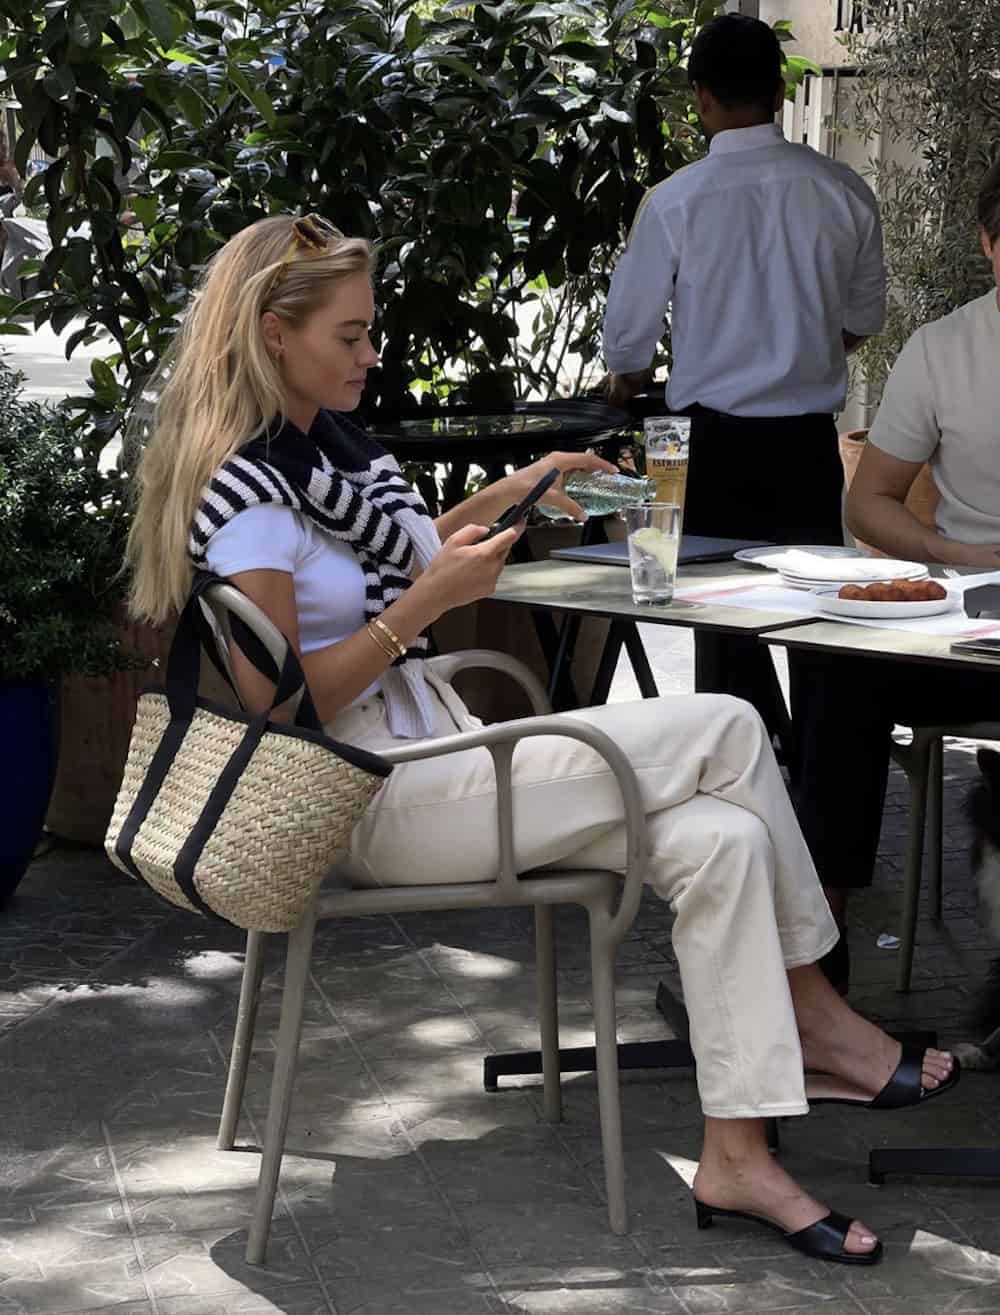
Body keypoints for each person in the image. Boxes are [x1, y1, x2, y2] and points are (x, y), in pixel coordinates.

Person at [126, 214, 955, 1265]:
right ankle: (819, 1016)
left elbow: (403, 547)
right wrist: (420, 606)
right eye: (351, 334)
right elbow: (286, 706)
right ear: (272, 335)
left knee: (722, 841)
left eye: (368, 329)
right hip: (373, 793)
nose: (371, 354)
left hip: (440, 751)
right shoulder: (246, 491)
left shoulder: (321, 457)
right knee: (731, 724)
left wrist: (523, 490)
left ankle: (737, 1152)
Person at [601, 13, 886, 753]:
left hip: (704, 445)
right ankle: (826, 795)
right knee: (821, 621)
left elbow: (628, 342)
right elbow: (862, 317)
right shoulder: (843, 191)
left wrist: (628, 380)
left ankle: (751, 768)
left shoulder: (674, 200)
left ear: (700, 98)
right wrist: (801, 347)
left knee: (719, 622)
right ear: (779, 92)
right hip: (803, 444)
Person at [790, 155, 1000, 991]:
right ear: (990, 246)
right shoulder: (946, 349)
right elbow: (869, 501)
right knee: (841, 675)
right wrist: (954, 553)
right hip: (968, 624)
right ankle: (821, 939)